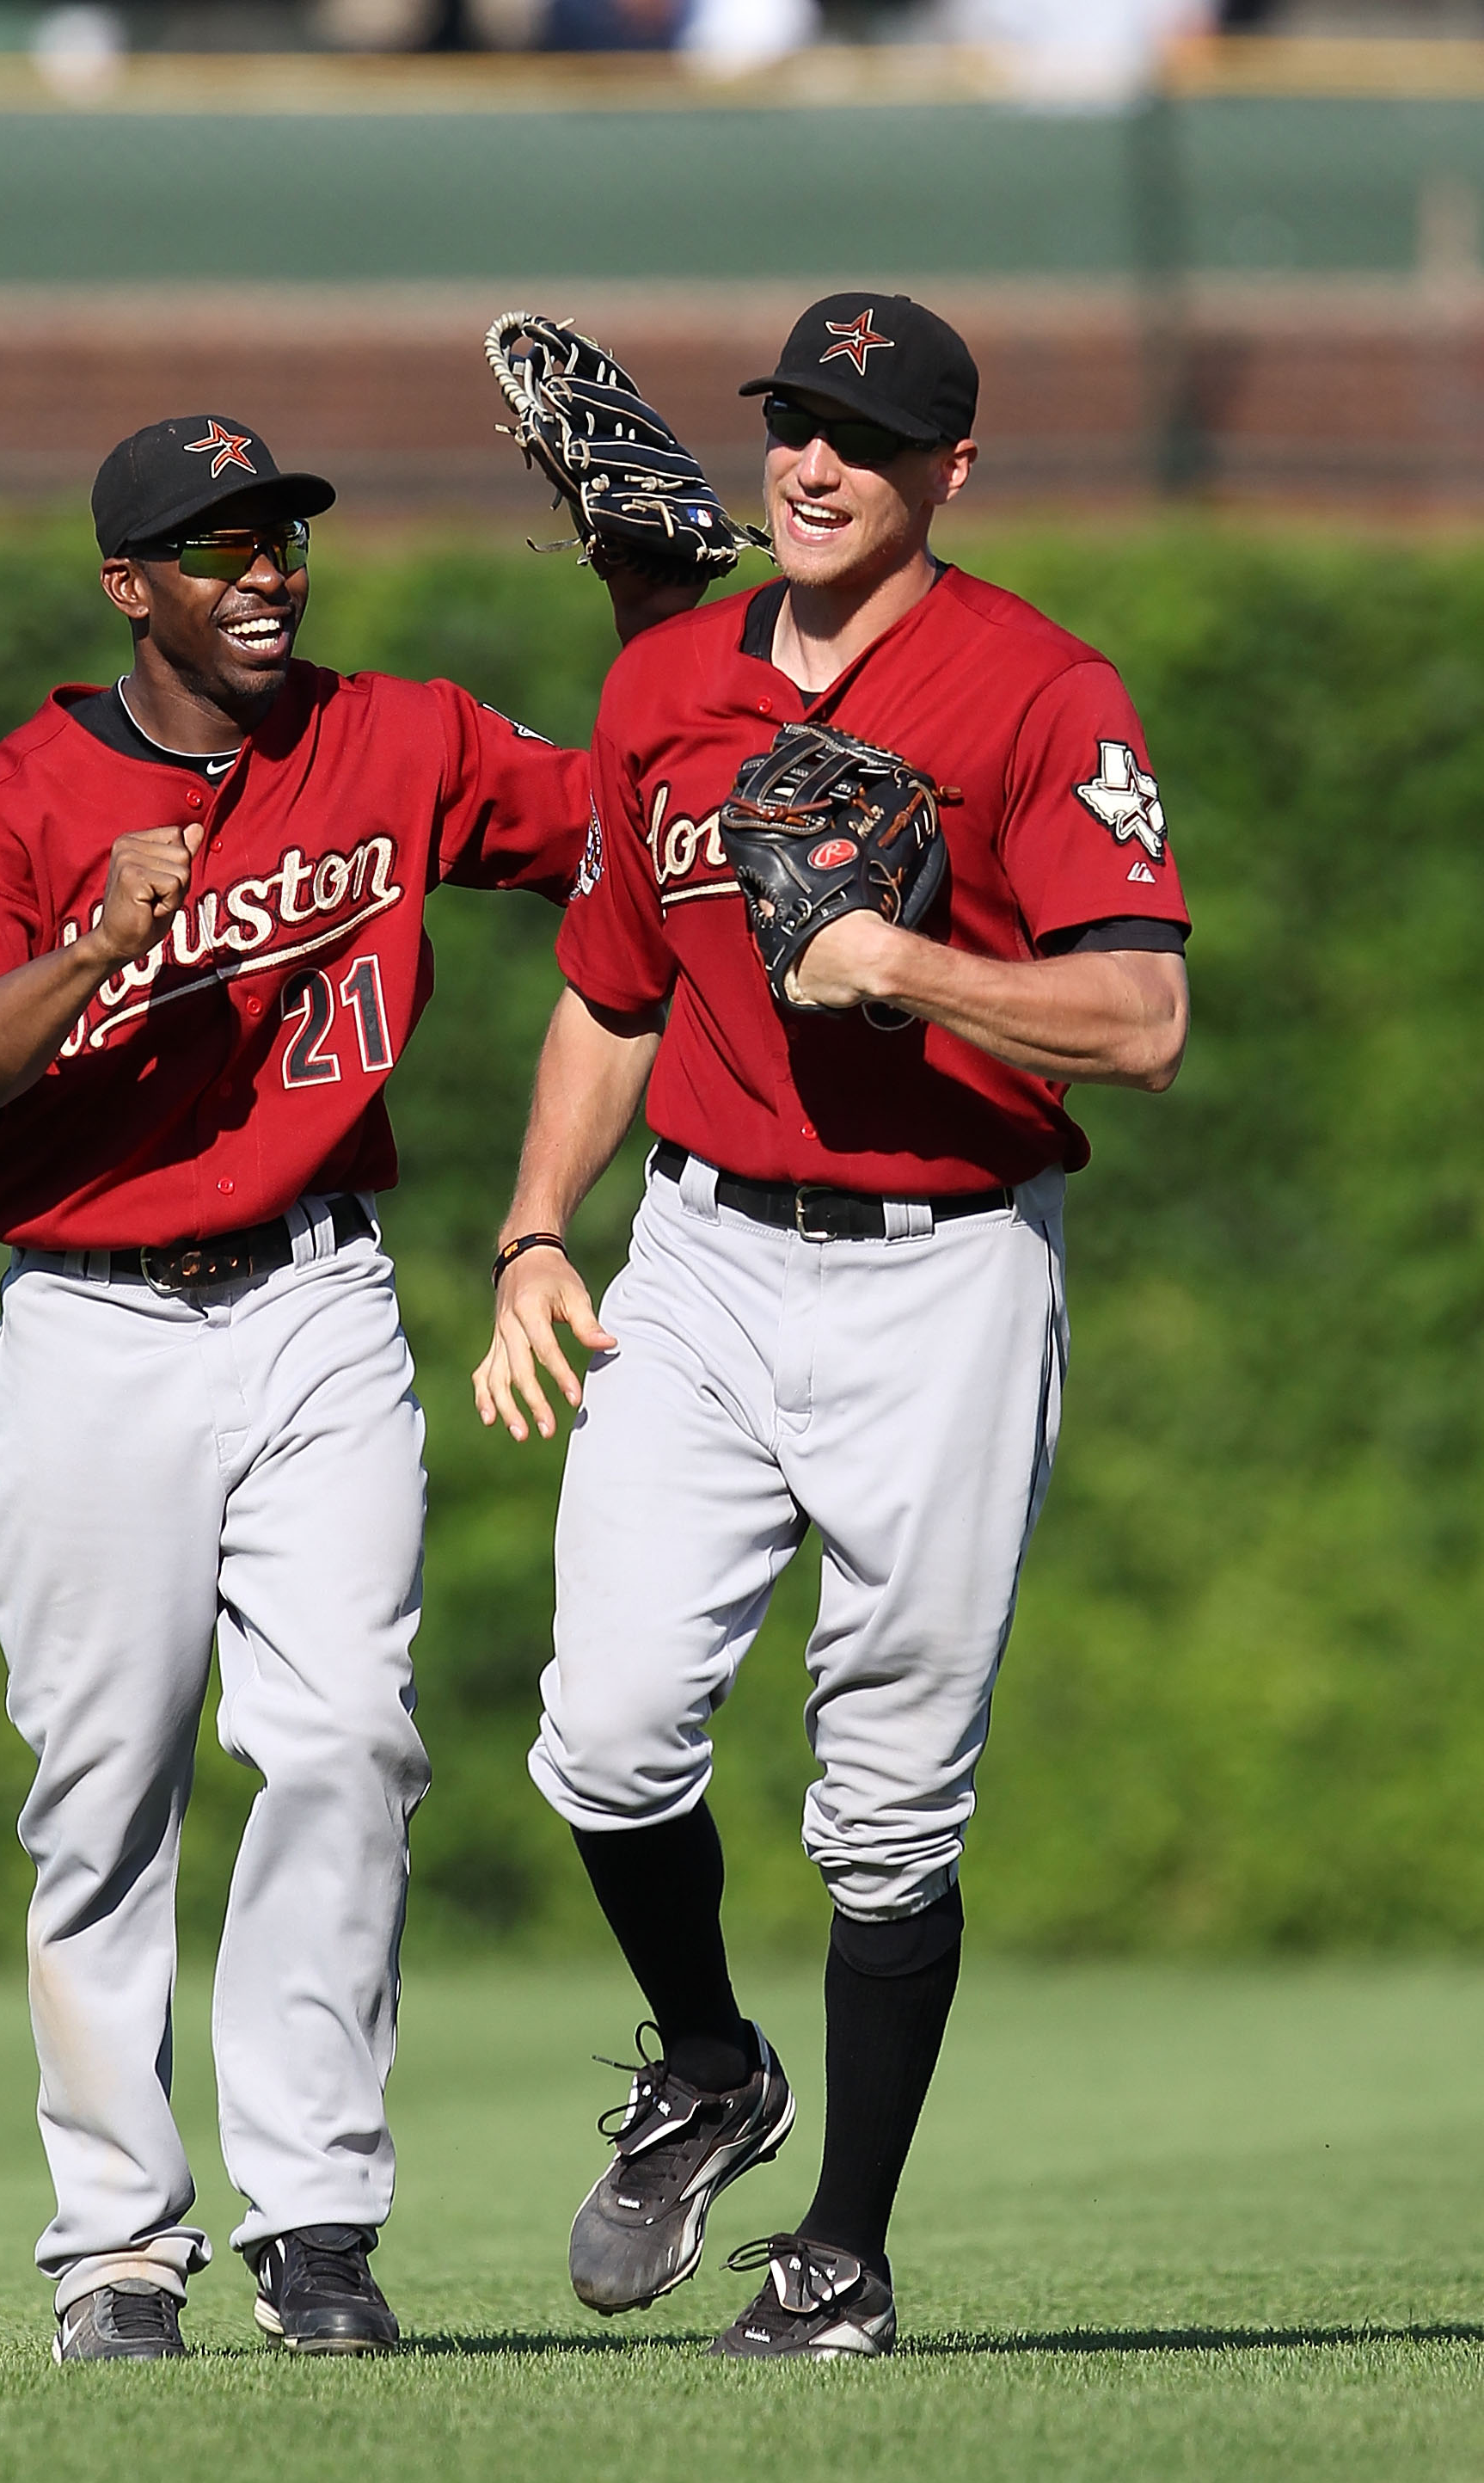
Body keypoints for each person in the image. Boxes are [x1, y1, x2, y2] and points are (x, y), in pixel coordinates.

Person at [0, 415, 684, 2364]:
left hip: (318, 1298)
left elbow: (625, 819)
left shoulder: (388, 738)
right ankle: (115, 2249)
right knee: (103, 1793)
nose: (260, 577)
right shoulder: (20, 800)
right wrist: (92, 944)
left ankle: (315, 2224)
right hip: (90, 1323)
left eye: (279, 542)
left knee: (341, 1744)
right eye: (212, 549)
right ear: (125, 586)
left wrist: (655, 616)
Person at [473, 293, 1191, 2359]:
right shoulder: (663, 687)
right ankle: (706, 2060)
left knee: (884, 1797)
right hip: (699, 1251)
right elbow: (616, 987)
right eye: (788, 424)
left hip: (945, 1271)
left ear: (945, 475)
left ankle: (843, 2251)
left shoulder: (1042, 691)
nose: (808, 464)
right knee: (603, 1731)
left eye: (859, 440)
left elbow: (1138, 1018)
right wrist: (535, 1229)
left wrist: (908, 965)